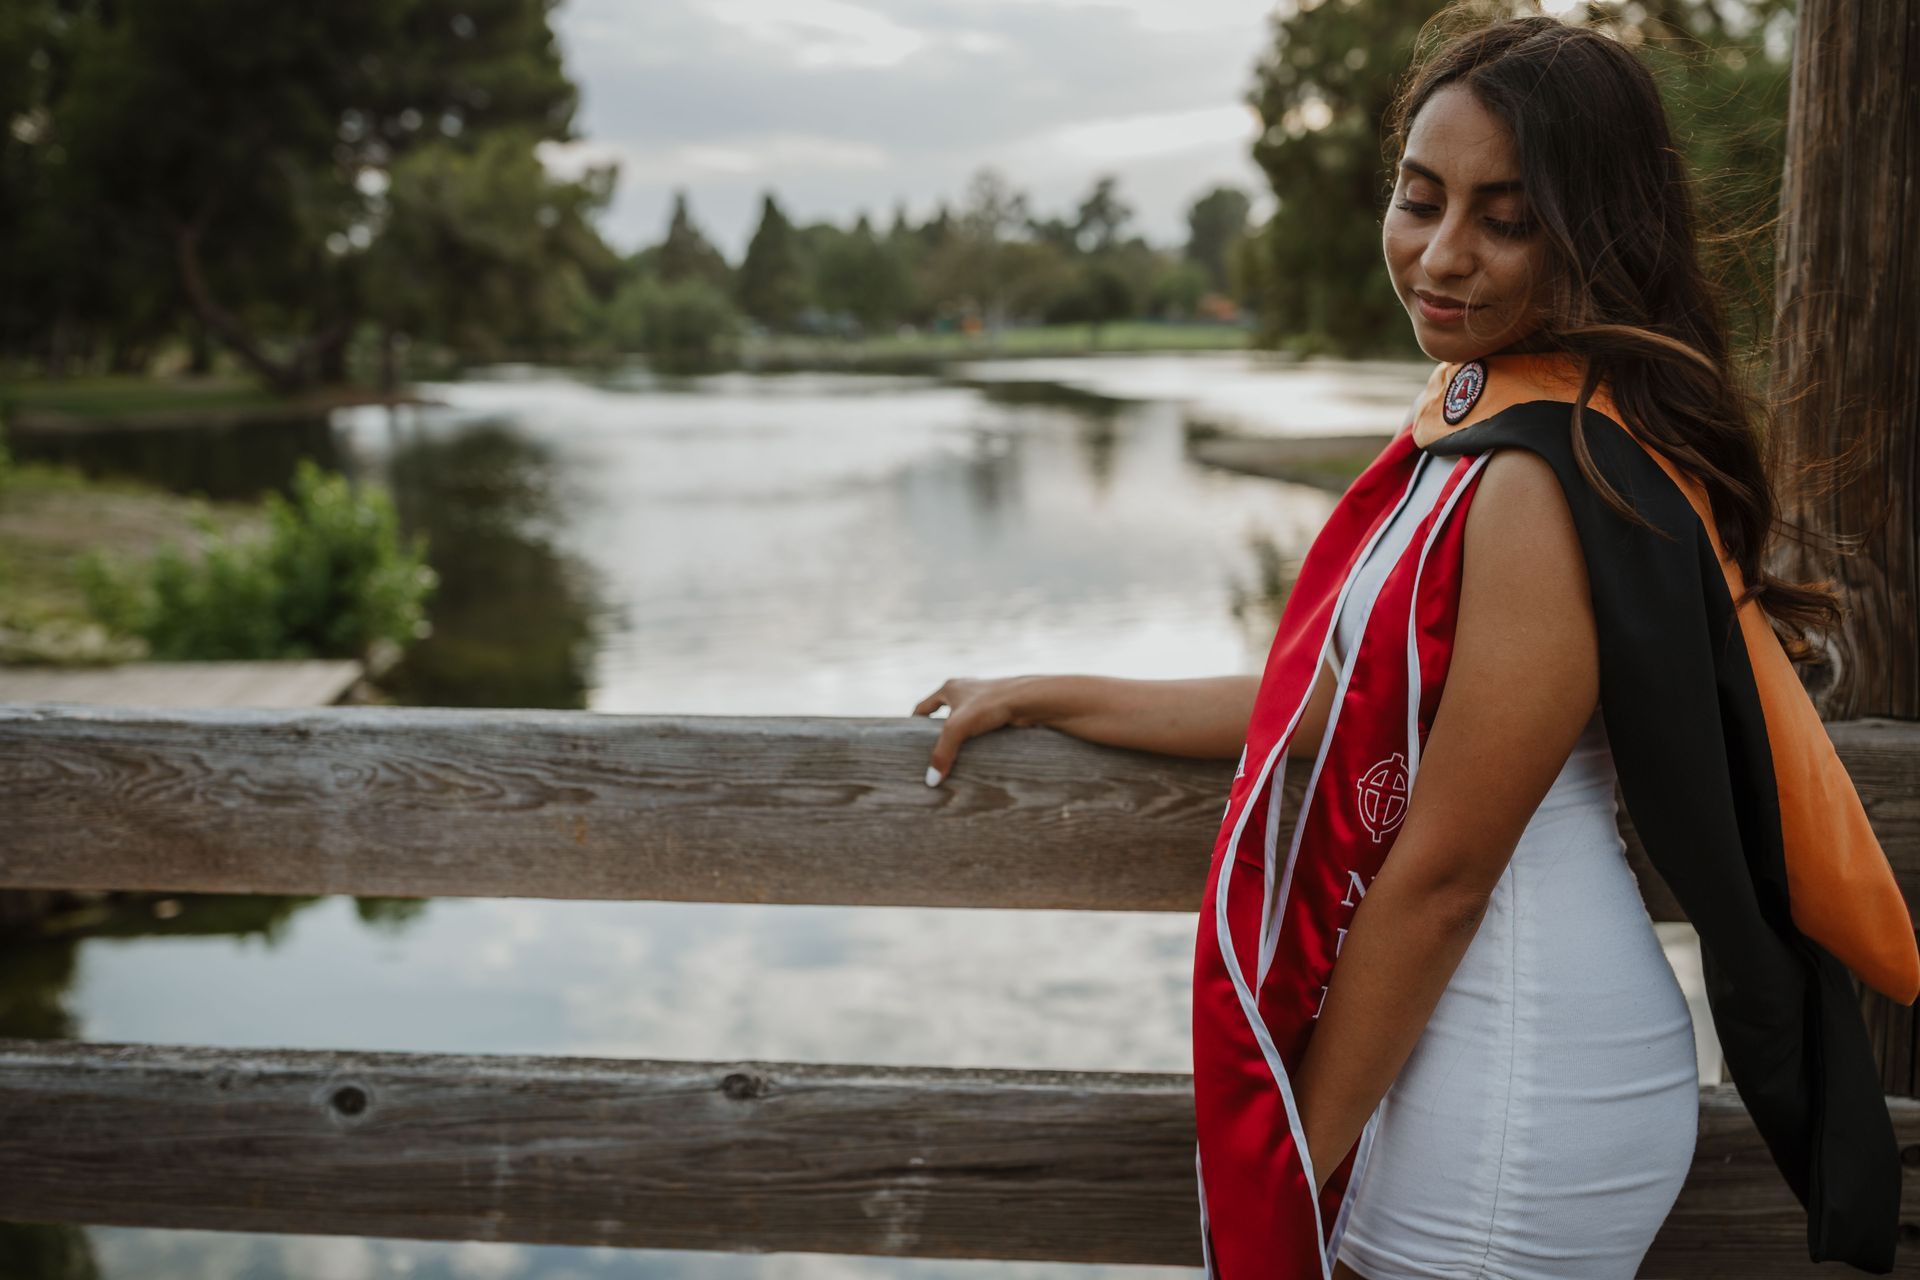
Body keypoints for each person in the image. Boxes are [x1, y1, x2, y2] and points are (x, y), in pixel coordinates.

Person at [912, 10, 1918, 1280]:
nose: (1441, 255)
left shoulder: (1542, 477)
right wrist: (1049, 691)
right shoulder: (1488, 429)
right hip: (1456, 1049)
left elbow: (1445, 873)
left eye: (1508, 219)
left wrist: (1290, 1172)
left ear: (1600, 232)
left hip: (1512, 1082)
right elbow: (1338, 702)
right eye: (1419, 198)